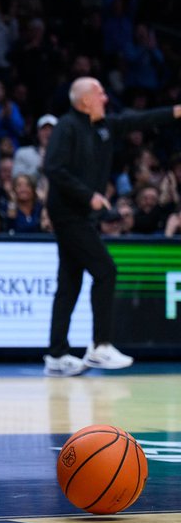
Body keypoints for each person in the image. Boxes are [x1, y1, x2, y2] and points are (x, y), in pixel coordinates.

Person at [42, 77, 181, 377]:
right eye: (100, 93)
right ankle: (100, 345)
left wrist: (175, 112)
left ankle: (56, 355)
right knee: (106, 269)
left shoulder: (104, 126)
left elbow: (139, 120)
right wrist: (88, 195)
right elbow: (53, 168)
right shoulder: (67, 127)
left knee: (69, 283)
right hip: (68, 213)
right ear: (85, 100)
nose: (106, 97)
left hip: (80, 216)